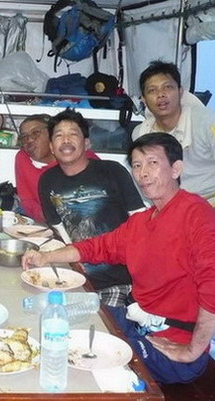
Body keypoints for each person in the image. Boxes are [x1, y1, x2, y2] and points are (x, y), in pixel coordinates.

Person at [23, 133, 215, 384]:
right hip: (137, 324)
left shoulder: (195, 213)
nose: (143, 173)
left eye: (152, 163)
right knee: (58, 321)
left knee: (74, 357)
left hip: (171, 349)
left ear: (176, 169)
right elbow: (97, 247)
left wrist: (192, 350)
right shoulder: (142, 222)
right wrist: (46, 257)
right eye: (137, 165)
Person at [132, 60, 215, 257]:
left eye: (168, 87)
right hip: (177, 212)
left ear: (180, 92)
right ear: (144, 99)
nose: (161, 95)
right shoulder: (141, 134)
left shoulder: (208, 121)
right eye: (152, 90)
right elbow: (144, 183)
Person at [38, 109, 144, 306]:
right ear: (51, 147)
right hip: (77, 279)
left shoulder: (112, 171)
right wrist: (74, 263)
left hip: (120, 282)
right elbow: (59, 228)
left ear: (86, 143)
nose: (66, 140)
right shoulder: (47, 180)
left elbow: (140, 220)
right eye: (59, 135)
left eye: (73, 134)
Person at [15, 113, 99, 222]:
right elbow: (27, 200)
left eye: (36, 133)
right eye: (24, 137)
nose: (29, 140)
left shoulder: (83, 158)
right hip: (44, 220)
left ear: (52, 136)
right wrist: (46, 216)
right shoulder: (23, 158)